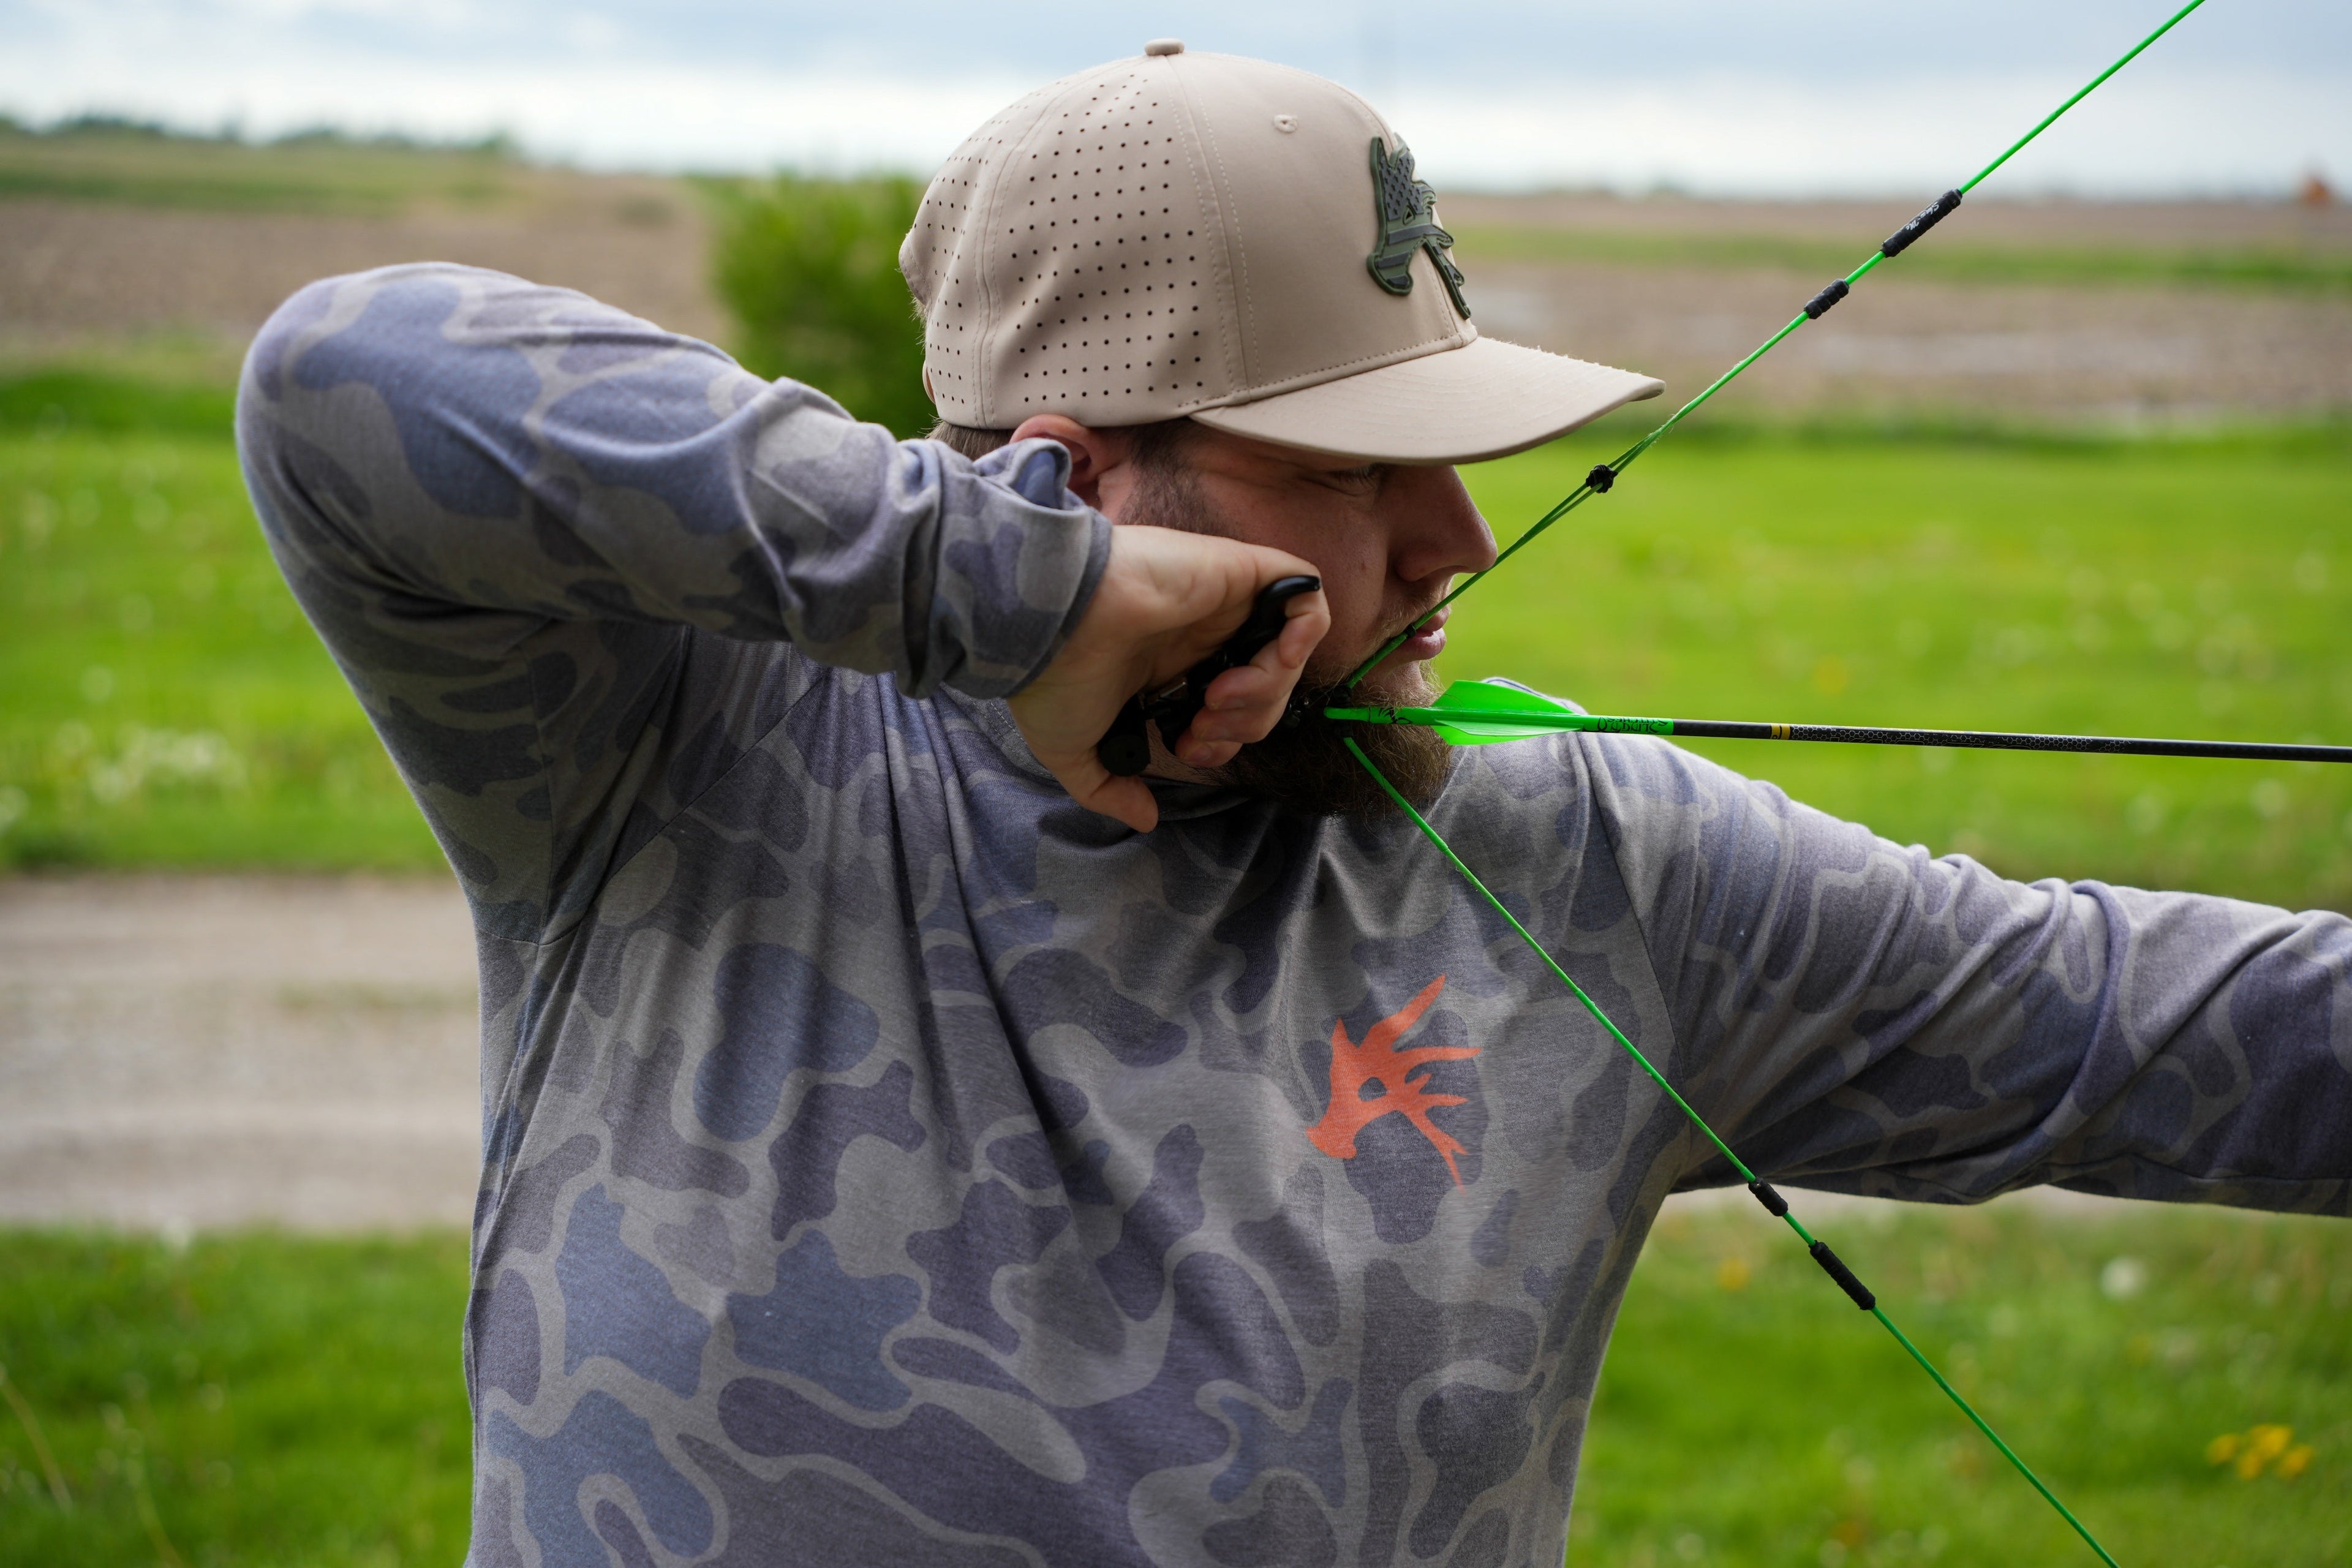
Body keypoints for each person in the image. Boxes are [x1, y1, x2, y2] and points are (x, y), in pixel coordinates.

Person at [236, 42, 2348, 1568]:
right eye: (1346, 468)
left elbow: (2187, 1029)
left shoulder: (1593, 870)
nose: (1456, 540)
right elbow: (346, 378)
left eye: (1450, 452)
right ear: (1075, 476)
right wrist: (1008, 599)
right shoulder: (691, 763)